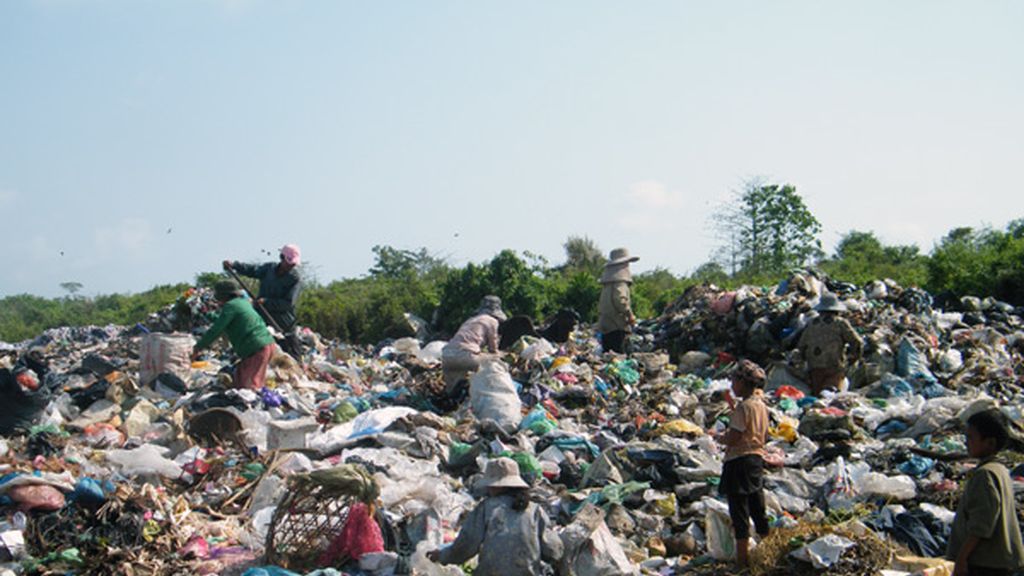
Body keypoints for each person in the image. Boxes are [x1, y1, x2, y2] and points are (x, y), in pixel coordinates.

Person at [427, 457, 562, 576]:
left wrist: (442, 556)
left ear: (497, 486)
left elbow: (466, 546)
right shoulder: (534, 510)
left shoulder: (487, 508)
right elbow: (554, 550)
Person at [946, 410, 1024, 576]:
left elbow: (981, 525)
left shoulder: (985, 474)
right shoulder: (1000, 470)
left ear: (989, 443)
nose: (966, 443)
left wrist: (961, 558)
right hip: (999, 561)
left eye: (971, 438)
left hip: (986, 563)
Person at [718, 359, 770, 569]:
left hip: (739, 462)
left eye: (734, 380)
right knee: (758, 508)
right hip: (755, 460)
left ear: (743, 382)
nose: (732, 384)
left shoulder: (744, 407)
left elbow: (734, 438)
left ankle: (742, 563)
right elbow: (764, 434)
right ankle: (769, 552)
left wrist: (719, 437)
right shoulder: (761, 406)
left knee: (739, 512)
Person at [191, 280, 276, 390]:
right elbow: (223, 320)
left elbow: (216, 330)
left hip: (256, 348)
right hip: (265, 344)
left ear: (223, 295)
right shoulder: (242, 302)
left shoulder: (230, 306)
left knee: (250, 388)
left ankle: (250, 406)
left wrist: (198, 347)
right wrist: (207, 314)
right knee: (240, 379)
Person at [223, 244, 303, 359]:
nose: (290, 266)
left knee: (292, 357)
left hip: (283, 323)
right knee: (260, 353)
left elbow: (288, 303)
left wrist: (266, 301)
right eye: (288, 262)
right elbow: (252, 270)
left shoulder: (295, 279)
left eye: (293, 264)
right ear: (281, 257)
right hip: (262, 318)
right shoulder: (269, 269)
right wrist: (234, 265)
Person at [796, 292, 863, 395]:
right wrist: (853, 358)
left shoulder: (812, 323)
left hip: (815, 368)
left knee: (818, 398)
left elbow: (801, 346)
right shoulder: (840, 323)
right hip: (835, 367)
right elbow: (857, 342)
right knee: (832, 397)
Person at [441, 295, 507, 391]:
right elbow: (492, 348)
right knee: (495, 359)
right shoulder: (492, 321)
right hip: (465, 356)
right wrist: (501, 354)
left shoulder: (470, 320)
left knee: (451, 391)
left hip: (446, 356)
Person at [598, 248, 638, 354]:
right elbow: (620, 301)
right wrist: (630, 315)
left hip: (605, 325)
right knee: (619, 357)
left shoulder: (607, 285)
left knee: (608, 358)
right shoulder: (620, 283)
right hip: (617, 326)